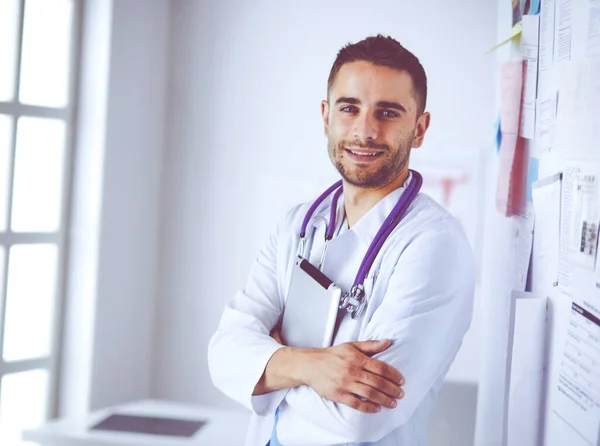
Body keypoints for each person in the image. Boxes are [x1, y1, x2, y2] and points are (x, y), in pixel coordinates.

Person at [208, 34, 475, 446]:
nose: (365, 131)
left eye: (388, 112)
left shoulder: (434, 246)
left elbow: (359, 418)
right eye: (349, 108)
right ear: (326, 115)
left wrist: (268, 364)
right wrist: (313, 367)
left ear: (419, 128)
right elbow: (223, 357)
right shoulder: (297, 225)